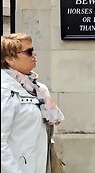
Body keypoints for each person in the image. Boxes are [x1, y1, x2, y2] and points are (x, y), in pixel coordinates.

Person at [1, 33, 64, 172]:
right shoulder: (5, 91)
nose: (34, 54)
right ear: (9, 58)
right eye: (28, 52)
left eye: (33, 50)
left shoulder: (38, 89)